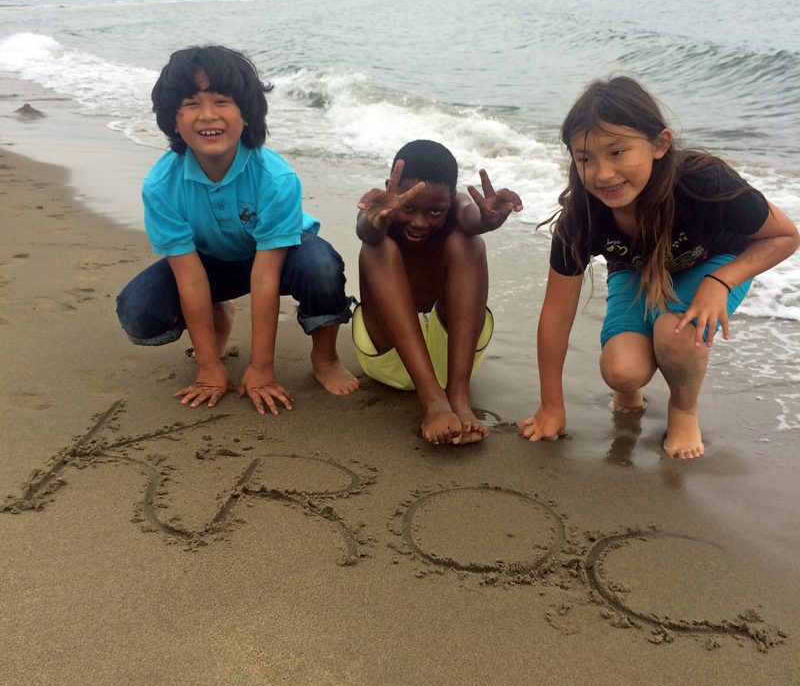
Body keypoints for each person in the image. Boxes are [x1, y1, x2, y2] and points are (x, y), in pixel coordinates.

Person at [519, 76, 799, 459]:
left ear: (659, 144)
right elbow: (556, 314)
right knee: (621, 370)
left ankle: (683, 410)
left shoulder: (703, 182)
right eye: (585, 158)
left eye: (617, 152)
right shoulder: (582, 216)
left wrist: (721, 281)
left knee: (676, 334)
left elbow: (784, 237)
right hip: (634, 269)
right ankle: (629, 388)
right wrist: (551, 405)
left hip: (715, 263)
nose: (603, 174)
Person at [116, 45, 358, 415]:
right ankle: (220, 316)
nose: (207, 115)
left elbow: (265, 278)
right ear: (172, 119)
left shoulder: (275, 178)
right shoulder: (161, 185)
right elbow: (191, 278)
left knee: (320, 265)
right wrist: (209, 368)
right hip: (209, 260)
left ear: (247, 113)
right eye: (191, 103)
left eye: (222, 101)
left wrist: (262, 369)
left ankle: (325, 357)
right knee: (139, 311)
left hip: (282, 256)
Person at [354, 139, 522, 446]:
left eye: (435, 211)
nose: (419, 222)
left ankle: (458, 398)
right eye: (408, 208)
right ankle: (432, 401)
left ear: (450, 200)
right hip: (389, 355)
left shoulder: (458, 207)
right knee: (376, 248)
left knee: (469, 242)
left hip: (453, 362)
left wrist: (486, 220)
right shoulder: (380, 205)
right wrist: (376, 221)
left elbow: (470, 219)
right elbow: (365, 229)